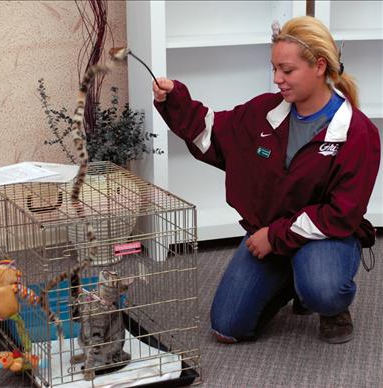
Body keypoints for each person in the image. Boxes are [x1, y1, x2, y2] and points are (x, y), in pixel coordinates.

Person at [152, 16, 380, 344]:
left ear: (318, 66)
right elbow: (214, 134)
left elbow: (340, 214)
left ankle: (328, 304)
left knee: (323, 288)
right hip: (271, 235)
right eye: (274, 69)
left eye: (286, 71)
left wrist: (274, 236)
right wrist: (174, 100)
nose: (277, 79)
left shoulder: (359, 133)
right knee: (228, 327)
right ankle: (291, 279)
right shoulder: (263, 111)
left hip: (326, 237)